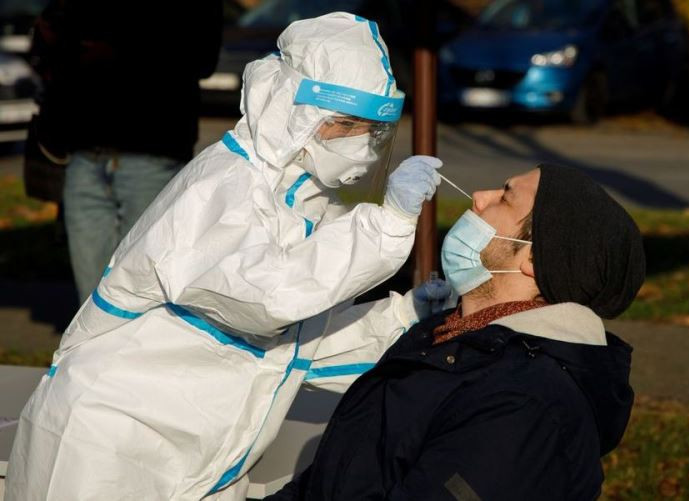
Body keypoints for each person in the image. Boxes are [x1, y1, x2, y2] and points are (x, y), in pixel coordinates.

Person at [6, 12, 445, 500]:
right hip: (107, 442)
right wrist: (384, 226)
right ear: (288, 108)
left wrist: (407, 317)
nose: (359, 145)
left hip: (202, 461)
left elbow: (295, 352)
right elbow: (266, 298)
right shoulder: (222, 186)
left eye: (372, 131)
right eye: (344, 125)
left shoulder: (305, 201)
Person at [265, 164, 647, 501]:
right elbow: (332, 479)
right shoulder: (448, 336)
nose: (480, 196)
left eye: (505, 197)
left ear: (532, 258)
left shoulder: (527, 404)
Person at [29, 0, 224, 302]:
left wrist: (117, 51)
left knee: (143, 288)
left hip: (152, 152)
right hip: (84, 151)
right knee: (92, 299)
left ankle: (143, 347)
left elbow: (202, 58)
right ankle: (91, 349)